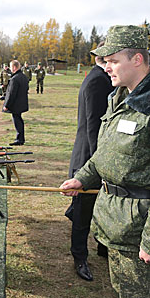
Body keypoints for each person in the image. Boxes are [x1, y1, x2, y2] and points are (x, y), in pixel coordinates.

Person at [60, 25, 150, 298]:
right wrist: (83, 177)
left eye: (113, 61)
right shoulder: (119, 98)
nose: (106, 67)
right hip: (117, 225)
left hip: (139, 230)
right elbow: (106, 153)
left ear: (137, 60)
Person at [64, 42, 113, 281]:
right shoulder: (97, 81)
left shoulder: (101, 78)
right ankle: (79, 257)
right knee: (83, 213)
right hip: (88, 157)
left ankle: (103, 246)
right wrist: (98, 165)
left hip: (94, 155)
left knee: (101, 206)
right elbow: (94, 125)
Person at [2, 60, 29, 146]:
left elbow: (11, 94)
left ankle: (19, 139)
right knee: (19, 120)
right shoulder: (24, 77)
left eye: (10, 67)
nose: (10, 68)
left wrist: (6, 105)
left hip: (16, 105)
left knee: (17, 121)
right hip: (22, 103)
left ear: (14, 67)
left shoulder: (14, 79)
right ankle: (21, 138)